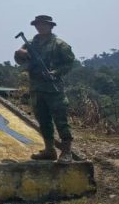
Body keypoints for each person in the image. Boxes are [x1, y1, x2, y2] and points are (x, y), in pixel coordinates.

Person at [15, 15, 77, 162]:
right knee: (43, 121)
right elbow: (19, 60)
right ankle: (49, 150)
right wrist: (19, 53)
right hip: (36, 88)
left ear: (50, 26)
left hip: (54, 89)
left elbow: (69, 64)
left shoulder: (60, 44)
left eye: (43, 24)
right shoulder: (30, 43)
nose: (40, 27)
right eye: (38, 24)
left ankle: (67, 152)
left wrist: (55, 73)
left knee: (61, 121)